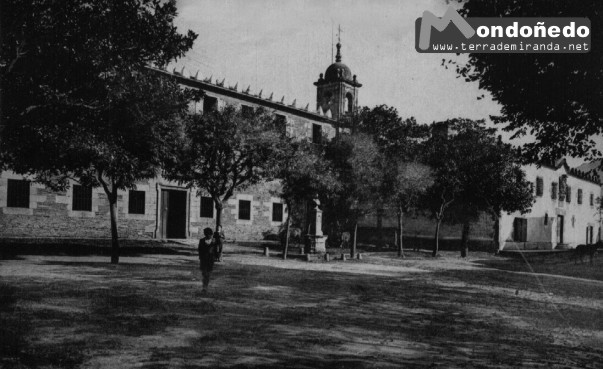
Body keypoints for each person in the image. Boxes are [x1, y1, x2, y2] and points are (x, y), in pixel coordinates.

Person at [198, 227, 220, 294]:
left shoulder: (214, 241)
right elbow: (199, 249)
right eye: (207, 234)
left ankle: (205, 287)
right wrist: (201, 257)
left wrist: (217, 256)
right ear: (205, 234)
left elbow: (217, 249)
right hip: (203, 260)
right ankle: (204, 286)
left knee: (208, 274)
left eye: (210, 234)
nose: (209, 236)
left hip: (210, 260)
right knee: (204, 273)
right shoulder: (202, 240)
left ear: (211, 234)